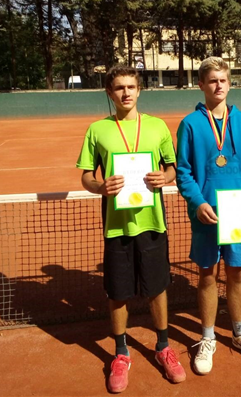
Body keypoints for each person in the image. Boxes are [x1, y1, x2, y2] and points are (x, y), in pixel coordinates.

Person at [76, 65, 186, 393]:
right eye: (119, 87)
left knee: (157, 287)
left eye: (131, 86)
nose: (126, 92)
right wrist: (100, 187)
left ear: (139, 90)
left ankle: (163, 346)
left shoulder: (157, 126)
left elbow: (172, 168)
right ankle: (121, 352)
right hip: (116, 226)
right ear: (110, 93)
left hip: (152, 222)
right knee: (118, 291)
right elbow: (86, 176)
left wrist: (165, 177)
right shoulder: (97, 130)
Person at [176, 56, 241, 375]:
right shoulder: (190, 124)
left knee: (238, 274)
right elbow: (184, 172)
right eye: (212, 80)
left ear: (230, 84)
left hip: (239, 211)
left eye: (223, 80)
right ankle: (207, 338)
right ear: (201, 84)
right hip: (207, 214)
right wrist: (197, 202)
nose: (219, 85)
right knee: (207, 275)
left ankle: (240, 334)